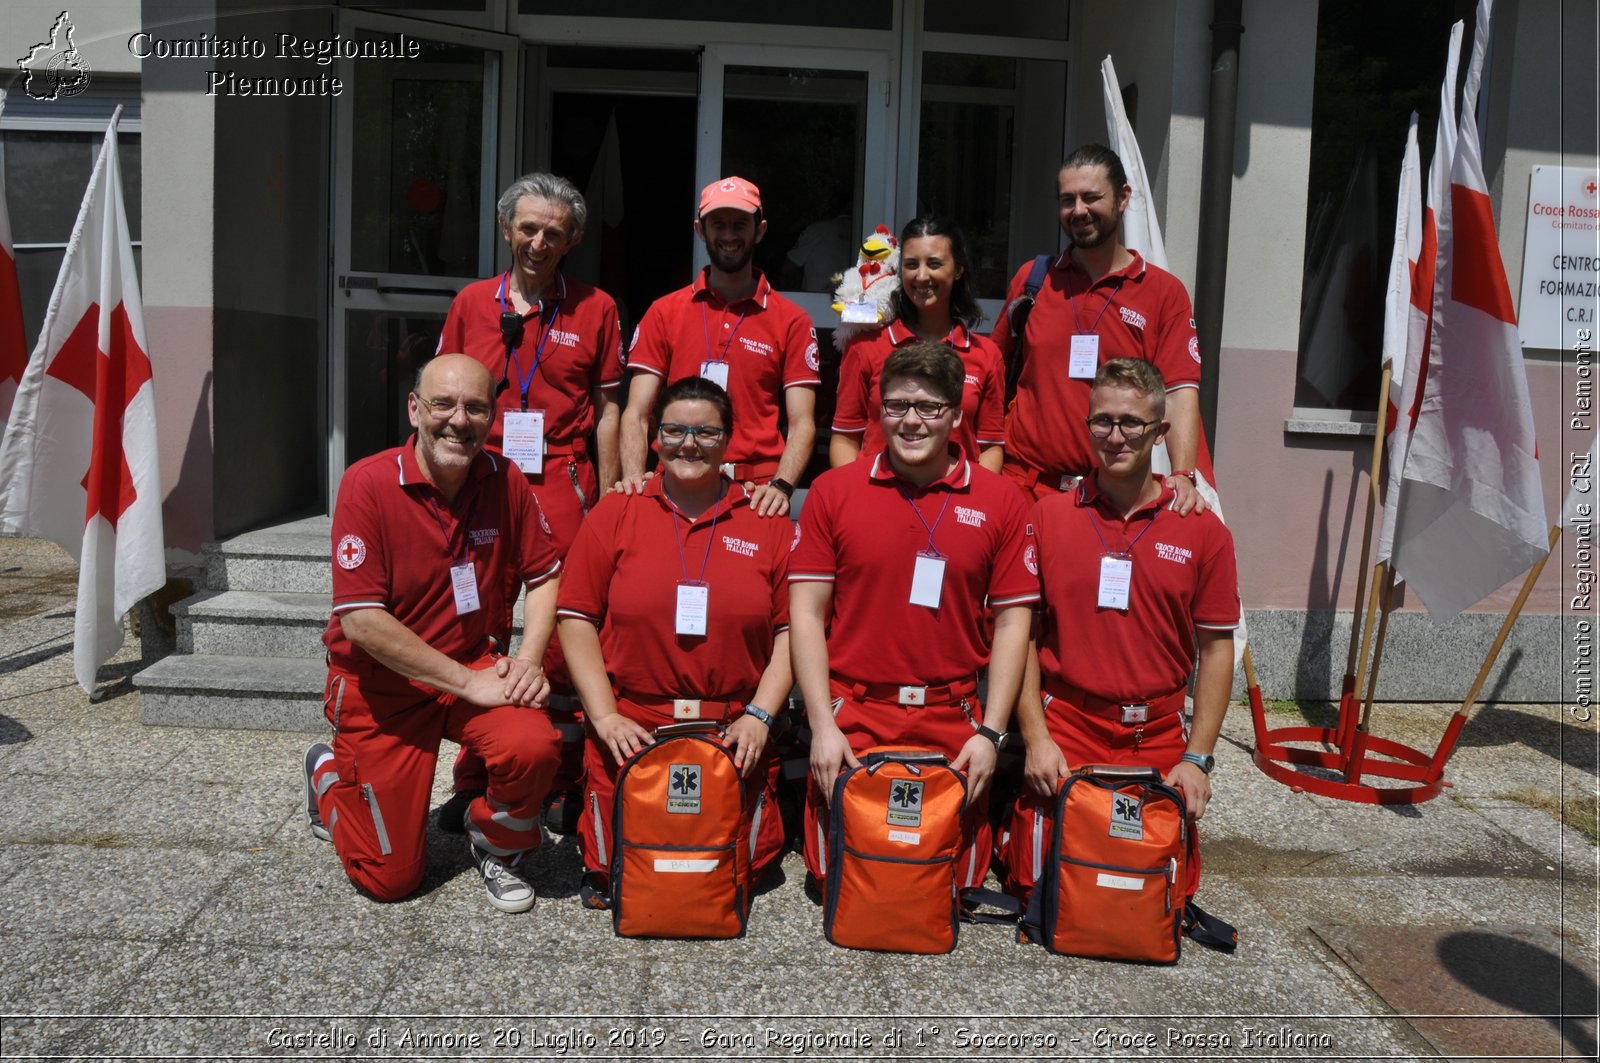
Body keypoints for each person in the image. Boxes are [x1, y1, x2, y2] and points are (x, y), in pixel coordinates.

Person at [303, 354, 565, 913]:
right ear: (415, 409)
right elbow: (363, 622)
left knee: (535, 744)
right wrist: (471, 687)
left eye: (475, 407)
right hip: (383, 687)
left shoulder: (505, 478)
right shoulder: (367, 484)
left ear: (492, 417)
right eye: (443, 404)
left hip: (470, 662)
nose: (458, 420)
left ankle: (495, 842)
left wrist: (529, 661)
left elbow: (546, 576)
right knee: (389, 880)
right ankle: (327, 776)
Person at [790, 341, 1037, 896]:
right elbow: (805, 615)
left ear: (955, 413)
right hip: (855, 716)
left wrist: (992, 735)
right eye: (898, 405)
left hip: (953, 720)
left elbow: (1013, 624)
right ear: (879, 409)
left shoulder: (1001, 499)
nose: (911, 421)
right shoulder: (833, 491)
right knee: (841, 876)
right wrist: (821, 728)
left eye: (928, 407)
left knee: (947, 881)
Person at [1004, 358, 1238, 902]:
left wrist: (1197, 759)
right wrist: (1036, 740)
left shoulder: (1203, 531)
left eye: (1131, 422)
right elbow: (1024, 639)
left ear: (1160, 431)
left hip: (1154, 734)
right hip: (1069, 728)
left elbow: (1216, 648)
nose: (1115, 436)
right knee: (1039, 887)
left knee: (1151, 896)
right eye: (1102, 421)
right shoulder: (1048, 517)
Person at [557, 377, 793, 906]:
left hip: (731, 729)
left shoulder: (766, 520)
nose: (690, 444)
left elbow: (791, 632)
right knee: (617, 867)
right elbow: (575, 617)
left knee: (730, 870)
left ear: (729, 440)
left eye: (706, 432)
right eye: (676, 430)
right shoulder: (618, 510)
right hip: (634, 727)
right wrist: (605, 716)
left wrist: (760, 715)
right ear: (655, 437)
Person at [436, 173, 624, 824]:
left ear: (571, 239)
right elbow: (442, 399)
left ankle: (561, 777)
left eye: (554, 231)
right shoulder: (469, 303)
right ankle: (476, 772)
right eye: (528, 228)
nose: (539, 241)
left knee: (563, 631)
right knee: (478, 619)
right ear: (506, 229)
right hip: (483, 478)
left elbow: (608, 410)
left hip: (562, 478)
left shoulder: (596, 307)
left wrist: (611, 498)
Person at [992, 144, 1207, 514]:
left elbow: (1179, 392)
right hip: (1024, 488)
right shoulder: (1032, 281)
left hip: (1112, 498)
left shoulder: (1163, 293)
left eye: (1091, 197)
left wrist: (1183, 473)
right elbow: (992, 374)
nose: (1078, 211)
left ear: (1123, 198)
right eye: (1067, 200)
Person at [619, 176, 819, 518]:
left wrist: (782, 486)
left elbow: (802, 422)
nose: (728, 235)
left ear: (760, 230)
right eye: (718, 224)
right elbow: (637, 413)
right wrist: (635, 479)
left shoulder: (791, 320)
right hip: (677, 482)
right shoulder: (665, 311)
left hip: (756, 494)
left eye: (740, 224)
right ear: (700, 229)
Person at [830, 216, 1006, 474]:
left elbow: (990, 446)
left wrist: (973, 502)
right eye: (911, 265)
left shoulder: (986, 355)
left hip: (954, 506)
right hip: (880, 502)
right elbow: (845, 439)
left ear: (958, 270)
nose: (922, 276)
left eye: (934, 264)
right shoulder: (864, 347)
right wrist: (861, 497)